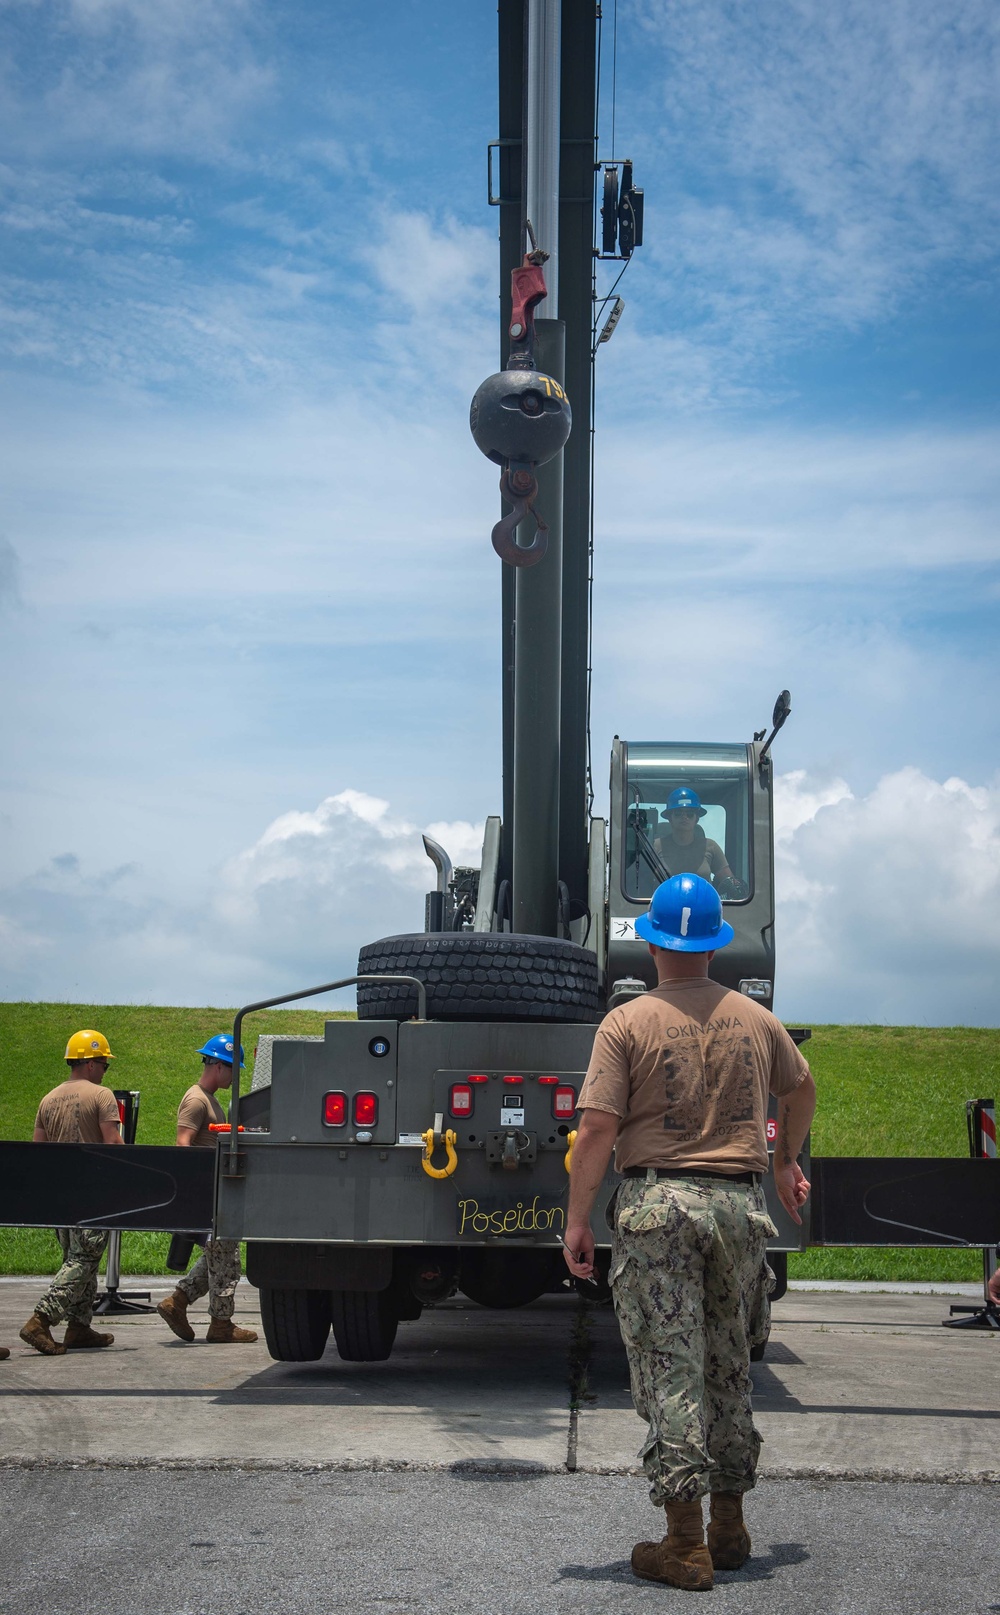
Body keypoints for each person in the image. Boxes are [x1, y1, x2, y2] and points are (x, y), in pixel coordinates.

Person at [563, 873, 816, 1591]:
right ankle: (730, 1528)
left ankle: (684, 1544)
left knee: (670, 1370)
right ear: (714, 941)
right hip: (739, 1209)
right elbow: (802, 1087)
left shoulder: (627, 1022)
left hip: (659, 1207)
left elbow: (597, 1128)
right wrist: (789, 1160)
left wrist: (579, 1218)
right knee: (728, 1363)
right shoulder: (756, 1019)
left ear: (650, 942)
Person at [20, 1030, 124, 1355]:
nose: (105, 1070)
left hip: (59, 1195)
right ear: (91, 1064)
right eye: (104, 1064)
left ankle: (79, 1327)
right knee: (84, 1258)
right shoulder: (102, 1095)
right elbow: (115, 1145)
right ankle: (41, 1320)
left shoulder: (48, 1099)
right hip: (92, 1194)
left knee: (79, 1260)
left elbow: (39, 1151)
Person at [156, 1035, 258, 1345]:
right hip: (206, 1195)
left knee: (218, 1256)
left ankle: (178, 1301)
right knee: (227, 1259)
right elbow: (182, 1145)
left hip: (213, 1193)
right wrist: (193, 1193)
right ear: (218, 1066)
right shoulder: (197, 1099)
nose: (234, 1077)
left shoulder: (210, 1100)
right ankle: (221, 1325)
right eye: (233, 1070)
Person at [653, 787, 743, 895]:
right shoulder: (656, 846)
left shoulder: (711, 847)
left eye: (690, 814)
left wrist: (736, 890)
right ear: (669, 818)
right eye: (678, 813)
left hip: (704, 910)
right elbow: (641, 883)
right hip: (663, 909)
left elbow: (730, 884)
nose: (684, 817)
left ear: (697, 819)